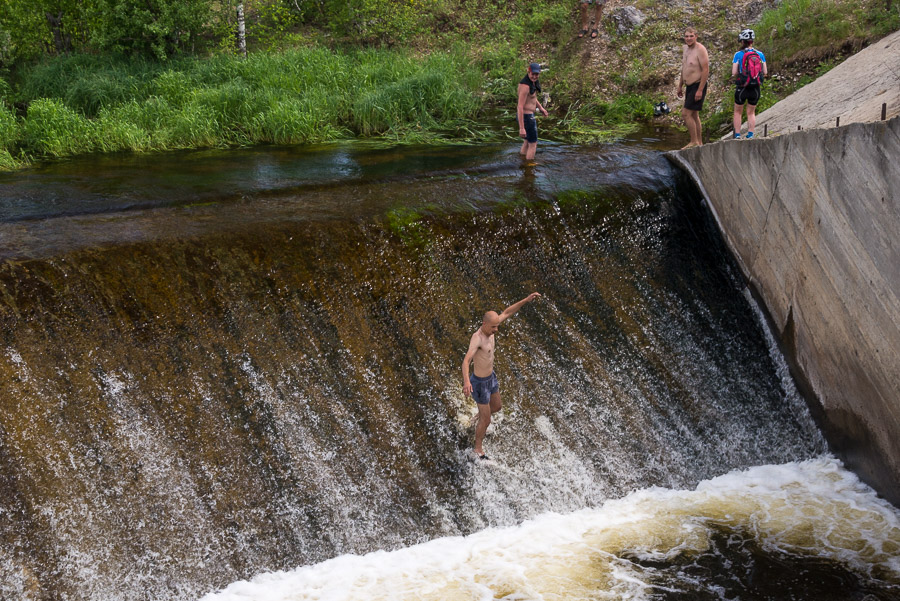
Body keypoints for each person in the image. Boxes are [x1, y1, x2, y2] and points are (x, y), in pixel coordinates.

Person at [462, 292, 542, 459]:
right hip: (479, 384)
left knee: (497, 407)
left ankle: (478, 416)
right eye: (493, 327)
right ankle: (477, 449)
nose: (496, 330)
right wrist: (466, 381)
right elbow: (466, 360)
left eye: (497, 326)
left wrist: (526, 300)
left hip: (491, 378)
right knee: (487, 420)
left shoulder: (492, 326)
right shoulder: (477, 339)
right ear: (484, 324)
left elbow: (507, 312)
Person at [676, 27, 709, 149]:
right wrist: (680, 85)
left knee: (686, 114)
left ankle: (693, 141)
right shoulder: (685, 49)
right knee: (694, 115)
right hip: (688, 86)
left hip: (698, 84)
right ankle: (699, 143)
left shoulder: (700, 49)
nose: (688, 39)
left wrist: (700, 90)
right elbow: (684, 68)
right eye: (686, 36)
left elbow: (705, 70)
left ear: (696, 36)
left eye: (691, 36)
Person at [731, 29, 768, 139]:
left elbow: (734, 72)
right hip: (755, 87)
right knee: (751, 112)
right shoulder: (760, 54)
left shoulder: (738, 54)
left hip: (742, 87)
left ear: (742, 41)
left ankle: (737, 135)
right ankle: (750, 134)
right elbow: (765, 72)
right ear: (752, 41)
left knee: (738, 111)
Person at [517, 63, 549, 161]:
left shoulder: (532, 83)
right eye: (532, 74)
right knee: (533, 144)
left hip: (528, 116)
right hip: (527, 117)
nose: (534, 76)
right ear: (528, 71)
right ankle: (529, 167)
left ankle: (522, 159)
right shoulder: (525, 86)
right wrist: (522, 128)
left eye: (536, 74)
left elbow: (533, 98)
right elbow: (520, 107)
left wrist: (541, 108)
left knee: (527, 141)